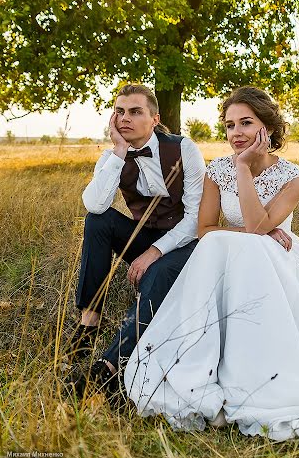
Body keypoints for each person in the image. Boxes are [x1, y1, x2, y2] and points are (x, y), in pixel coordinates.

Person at [124, 86, 299, 458]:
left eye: (246, 123)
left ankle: (262, 374)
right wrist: (256, 226)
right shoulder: (214, 170)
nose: (235, 132)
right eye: (229, 125)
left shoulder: (293, 177)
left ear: (267, 127)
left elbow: (254, 227)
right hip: (229, 257)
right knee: (220, 246)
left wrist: (242, 170)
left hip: (277, 264)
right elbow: (205, 229)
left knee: (250, 247)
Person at [68, 83, 207, 393]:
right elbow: (94, 205)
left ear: (154, 119)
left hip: (185, 243)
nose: (125, 118)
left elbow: (195, 218)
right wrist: (119, 152)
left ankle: (110, 366)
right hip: (143, 236)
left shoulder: (184, 148)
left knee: (156, 273)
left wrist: (155, 252)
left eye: (135, 112)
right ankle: (89, 322)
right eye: (120, 112)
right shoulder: (111, 156)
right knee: (98, 221)